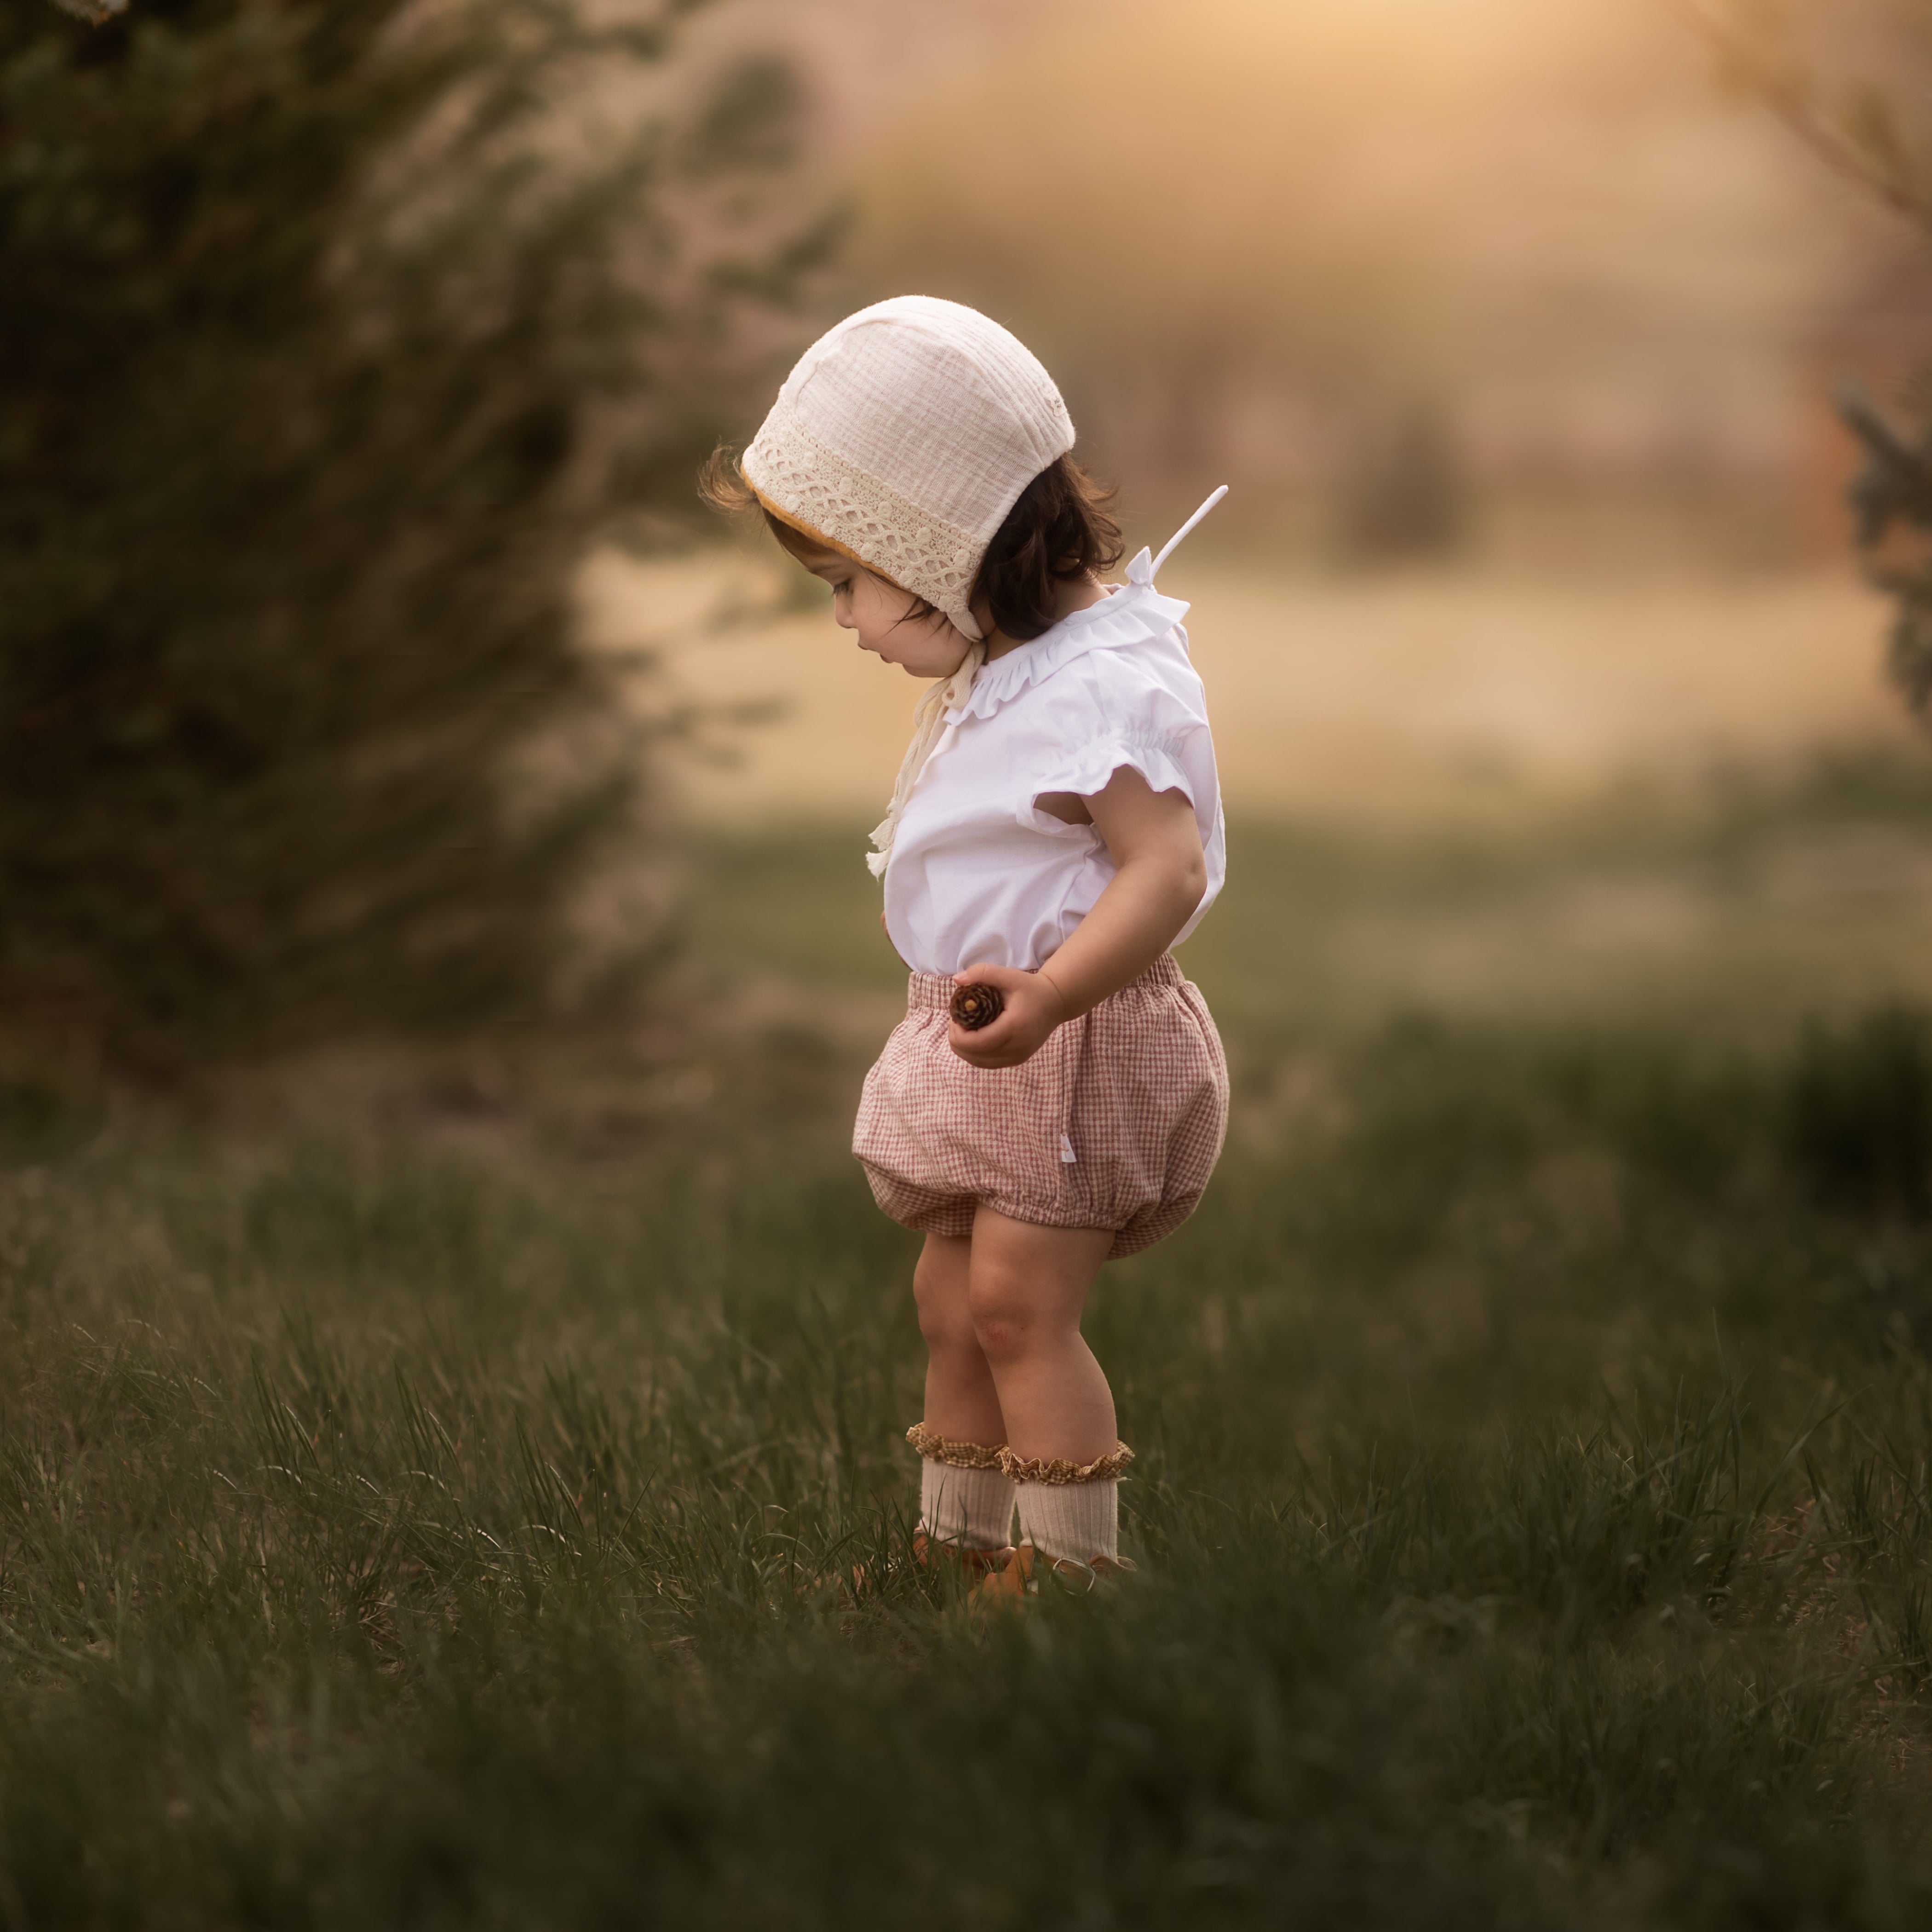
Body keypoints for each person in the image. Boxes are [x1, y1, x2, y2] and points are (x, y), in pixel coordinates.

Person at [702, 296, 1228, 1593]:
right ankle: (959, 1543)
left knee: (1017, 1308)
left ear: (943, 547)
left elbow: (1167, 868)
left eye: (848, 583)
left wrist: (1050, 995)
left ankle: (1071, 1574)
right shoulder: (1006, 672)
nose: (846, 621)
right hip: (994, 1033)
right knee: (952, 1306)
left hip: (1075, 1042)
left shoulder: (1105, 681)